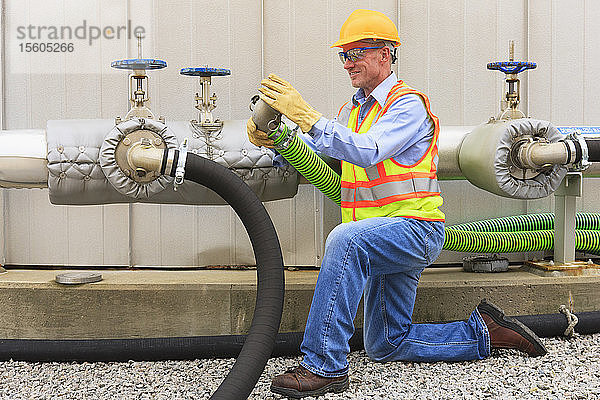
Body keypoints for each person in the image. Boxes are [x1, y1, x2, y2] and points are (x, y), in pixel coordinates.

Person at [247, 9, 547, 399]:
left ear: (386, 54)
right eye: (344, 55)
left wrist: (305, 115)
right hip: (380, 236)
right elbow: (329, 168)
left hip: (414, 230)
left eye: (357, 52)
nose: (348, 62)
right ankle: (483, 332)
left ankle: (324, 366)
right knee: (386, 343)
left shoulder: (407, 105)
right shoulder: (349, 112)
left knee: (345, 241)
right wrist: (279, 139)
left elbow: (370, 150)